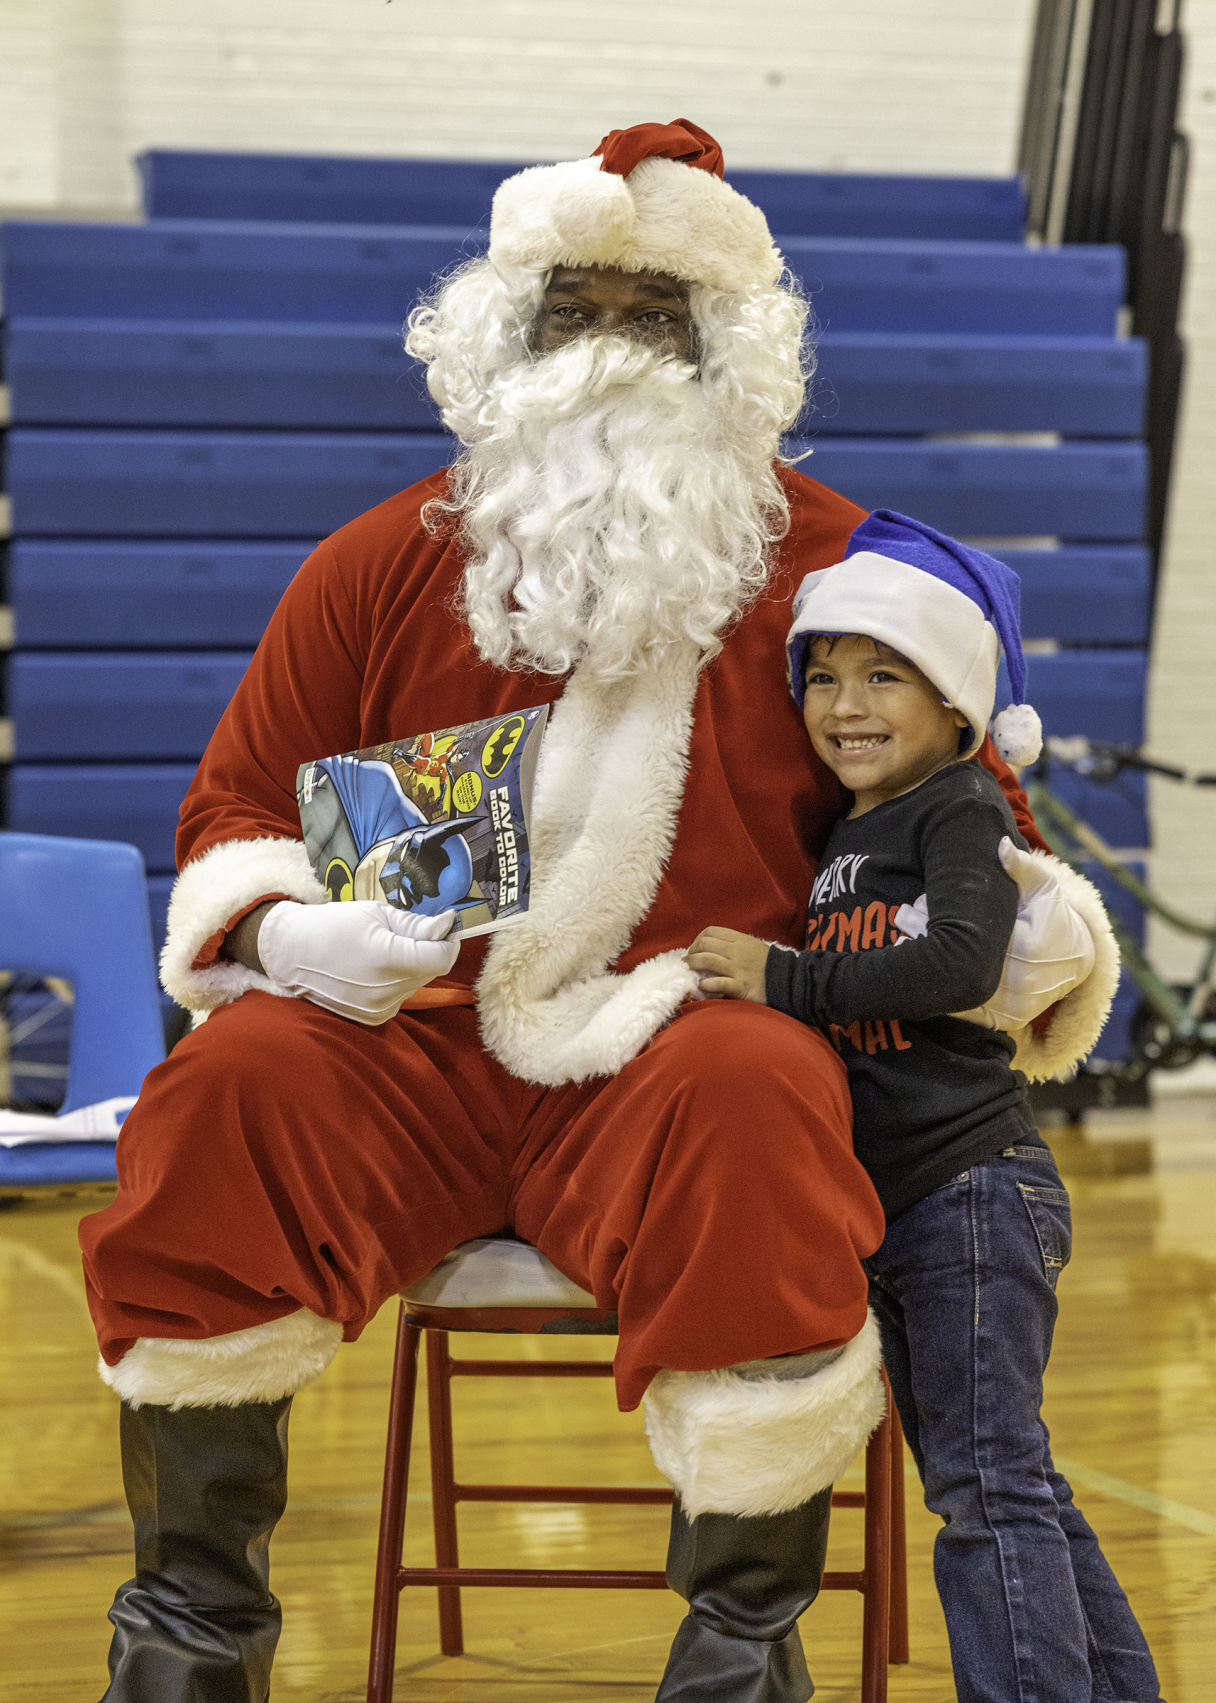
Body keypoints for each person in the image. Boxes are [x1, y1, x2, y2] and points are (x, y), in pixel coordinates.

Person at [78, 121, 1106, 1703]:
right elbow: (234, 808)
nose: (617, 342)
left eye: (656, 310)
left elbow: (981, 816)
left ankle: (740, 1651)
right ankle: (191, 1637)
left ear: (726, 347)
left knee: (763, 1091)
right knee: (225, 1091)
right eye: (581, 308)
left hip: (667, 1053)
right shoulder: (372, 567)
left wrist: (1023, 928)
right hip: (396, 1056)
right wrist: (289, 935)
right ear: (513, 333)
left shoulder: (854, 582)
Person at [687, 509, 1162, 1702]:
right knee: (1007, 1478)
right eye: (824, 675)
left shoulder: (957, 808)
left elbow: (956, 963)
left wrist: (782, 976)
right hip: (898, 1214)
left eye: (882, 674)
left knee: (985, 1490)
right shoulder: (852, 831)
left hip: (971, 1194)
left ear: (955, 701)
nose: (844, 703)